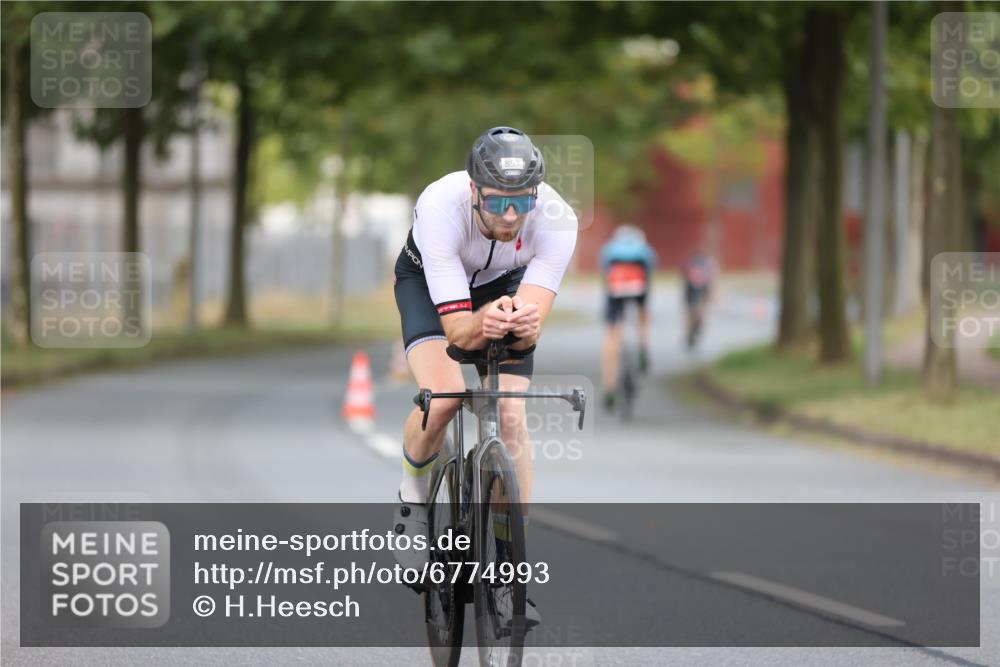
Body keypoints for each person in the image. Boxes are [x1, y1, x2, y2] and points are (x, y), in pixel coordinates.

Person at [390, 127, 578, 619]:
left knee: (510, 415)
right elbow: (457, 335)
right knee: (445, 396)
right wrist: (482, 323)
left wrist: (523, 330)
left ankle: (509, 571)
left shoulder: (557, 219)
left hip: (505, 284)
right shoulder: (440, 206)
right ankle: (412, 500)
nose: (511, 216)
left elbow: (528, 334)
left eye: (522, 202)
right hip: (429, 285)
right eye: (497, 203)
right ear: (475, 190)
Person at [599, 224, 657, 410]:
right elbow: (650, 270)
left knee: (612, 336)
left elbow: (605, 273)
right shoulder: (643, 248)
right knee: (643, 313)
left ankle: (609, 388)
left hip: (615, 287)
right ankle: (643, 346)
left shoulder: (611, 248)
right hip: (639, 284)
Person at [682, 246, 717, 350]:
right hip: (700, 290)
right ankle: (696, 328)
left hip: (691, 290)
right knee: (701, 311)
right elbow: (710, 280)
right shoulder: (707, 264)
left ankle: (691, 330)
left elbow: (684, 277)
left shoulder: (691, 263)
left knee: (691, 311)